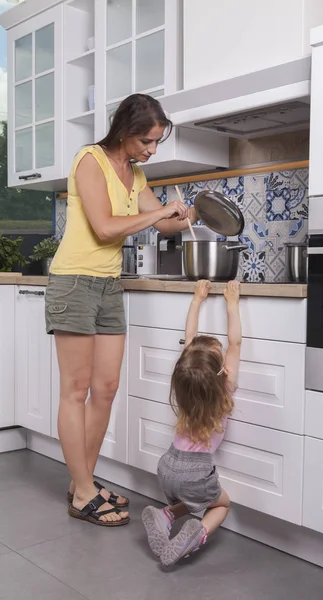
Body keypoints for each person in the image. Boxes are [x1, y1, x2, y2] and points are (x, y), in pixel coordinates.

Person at [45, 94, 198, 527]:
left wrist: (183, 211)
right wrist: (159, 213)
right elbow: (106, 226)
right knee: (76, 390)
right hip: (74, 282)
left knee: (106, 388)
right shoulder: (90, 161)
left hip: (109, 286)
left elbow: (163, 221)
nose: (152, 149)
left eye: (156, 142)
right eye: (147, 141)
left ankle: (83, 484)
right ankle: (84, 493)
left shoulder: (136, 174)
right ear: (126, 131)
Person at [142, 279, 242, 566]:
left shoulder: (185, 385)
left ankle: (166, 514)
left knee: (194, 497)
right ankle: (198, 534)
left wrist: (197, 300)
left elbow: (190, 340)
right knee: (220, 503)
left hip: (167, 466)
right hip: (197, 472)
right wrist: (231, 304)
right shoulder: (224, 388)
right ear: (222, 370)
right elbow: (235, 342)